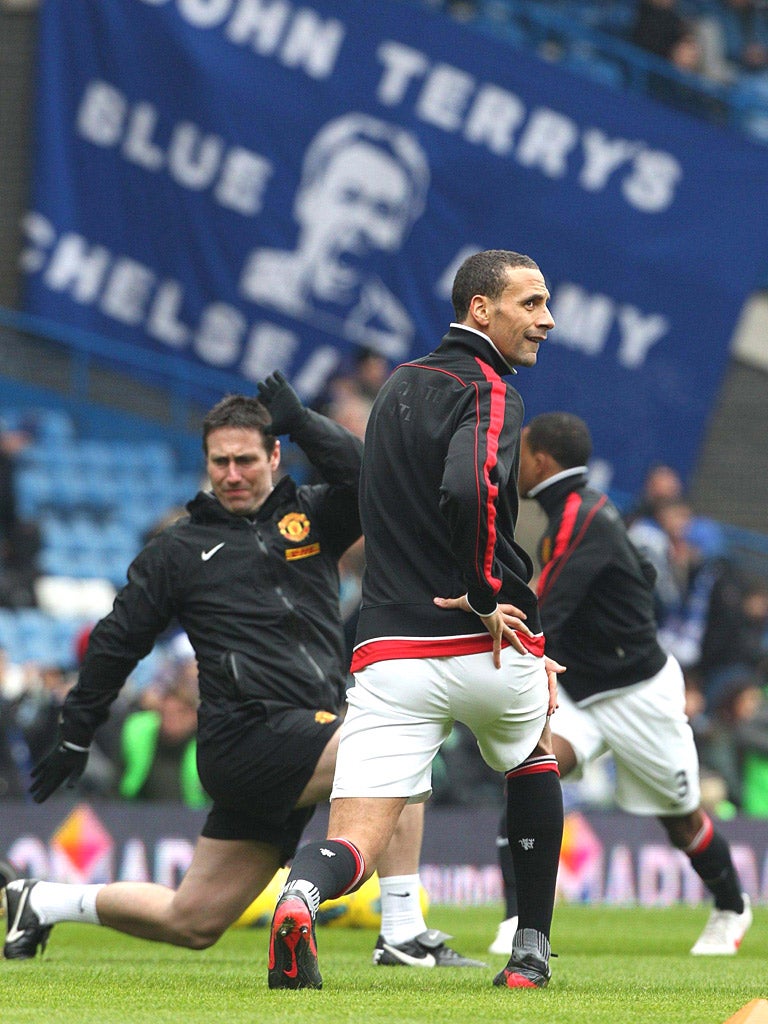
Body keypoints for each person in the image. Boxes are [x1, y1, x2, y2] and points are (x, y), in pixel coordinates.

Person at [1, 378, 470, 968]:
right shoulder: (178, 551)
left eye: (246, 459)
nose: (232, 474)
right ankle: (401, 931)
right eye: (220, 462)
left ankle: (41, 900)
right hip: (245, 740)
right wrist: (76, 730)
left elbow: (367, 477)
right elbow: (116, 644)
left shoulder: (312, 517)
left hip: (307, 736)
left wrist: (301, 420)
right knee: (392, 743)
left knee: (191, 919)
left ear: (273, 456)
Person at [266, 249, 564, 991]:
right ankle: (528, 950)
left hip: (391, 652)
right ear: (481, 310)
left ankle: (300, 900)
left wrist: (302, 424)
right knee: (532, 756)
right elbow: (469, 490)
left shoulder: (397, 385)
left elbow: (367, 481)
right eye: (530, 303)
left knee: (357, 839)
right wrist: (484, 587)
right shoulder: (490, 387)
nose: (547, 319)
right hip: (479, 642)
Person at [489, 412, 752, 958]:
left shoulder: (581, 517)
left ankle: (731, 904)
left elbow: (549, 610)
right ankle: (519, 921)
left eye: (523, 452)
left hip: (639, 692)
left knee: (681, 819)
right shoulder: (588, 510)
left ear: (541, 460)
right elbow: (638, 574)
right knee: (529, 771)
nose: (515, 463)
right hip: (582, 692)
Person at [239, 113, 431, 360]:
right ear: (307, 198)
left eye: (383, 210)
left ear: (400, 232)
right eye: (349, 196)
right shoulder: (256, 278)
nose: (362, 223)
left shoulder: (390, 333)